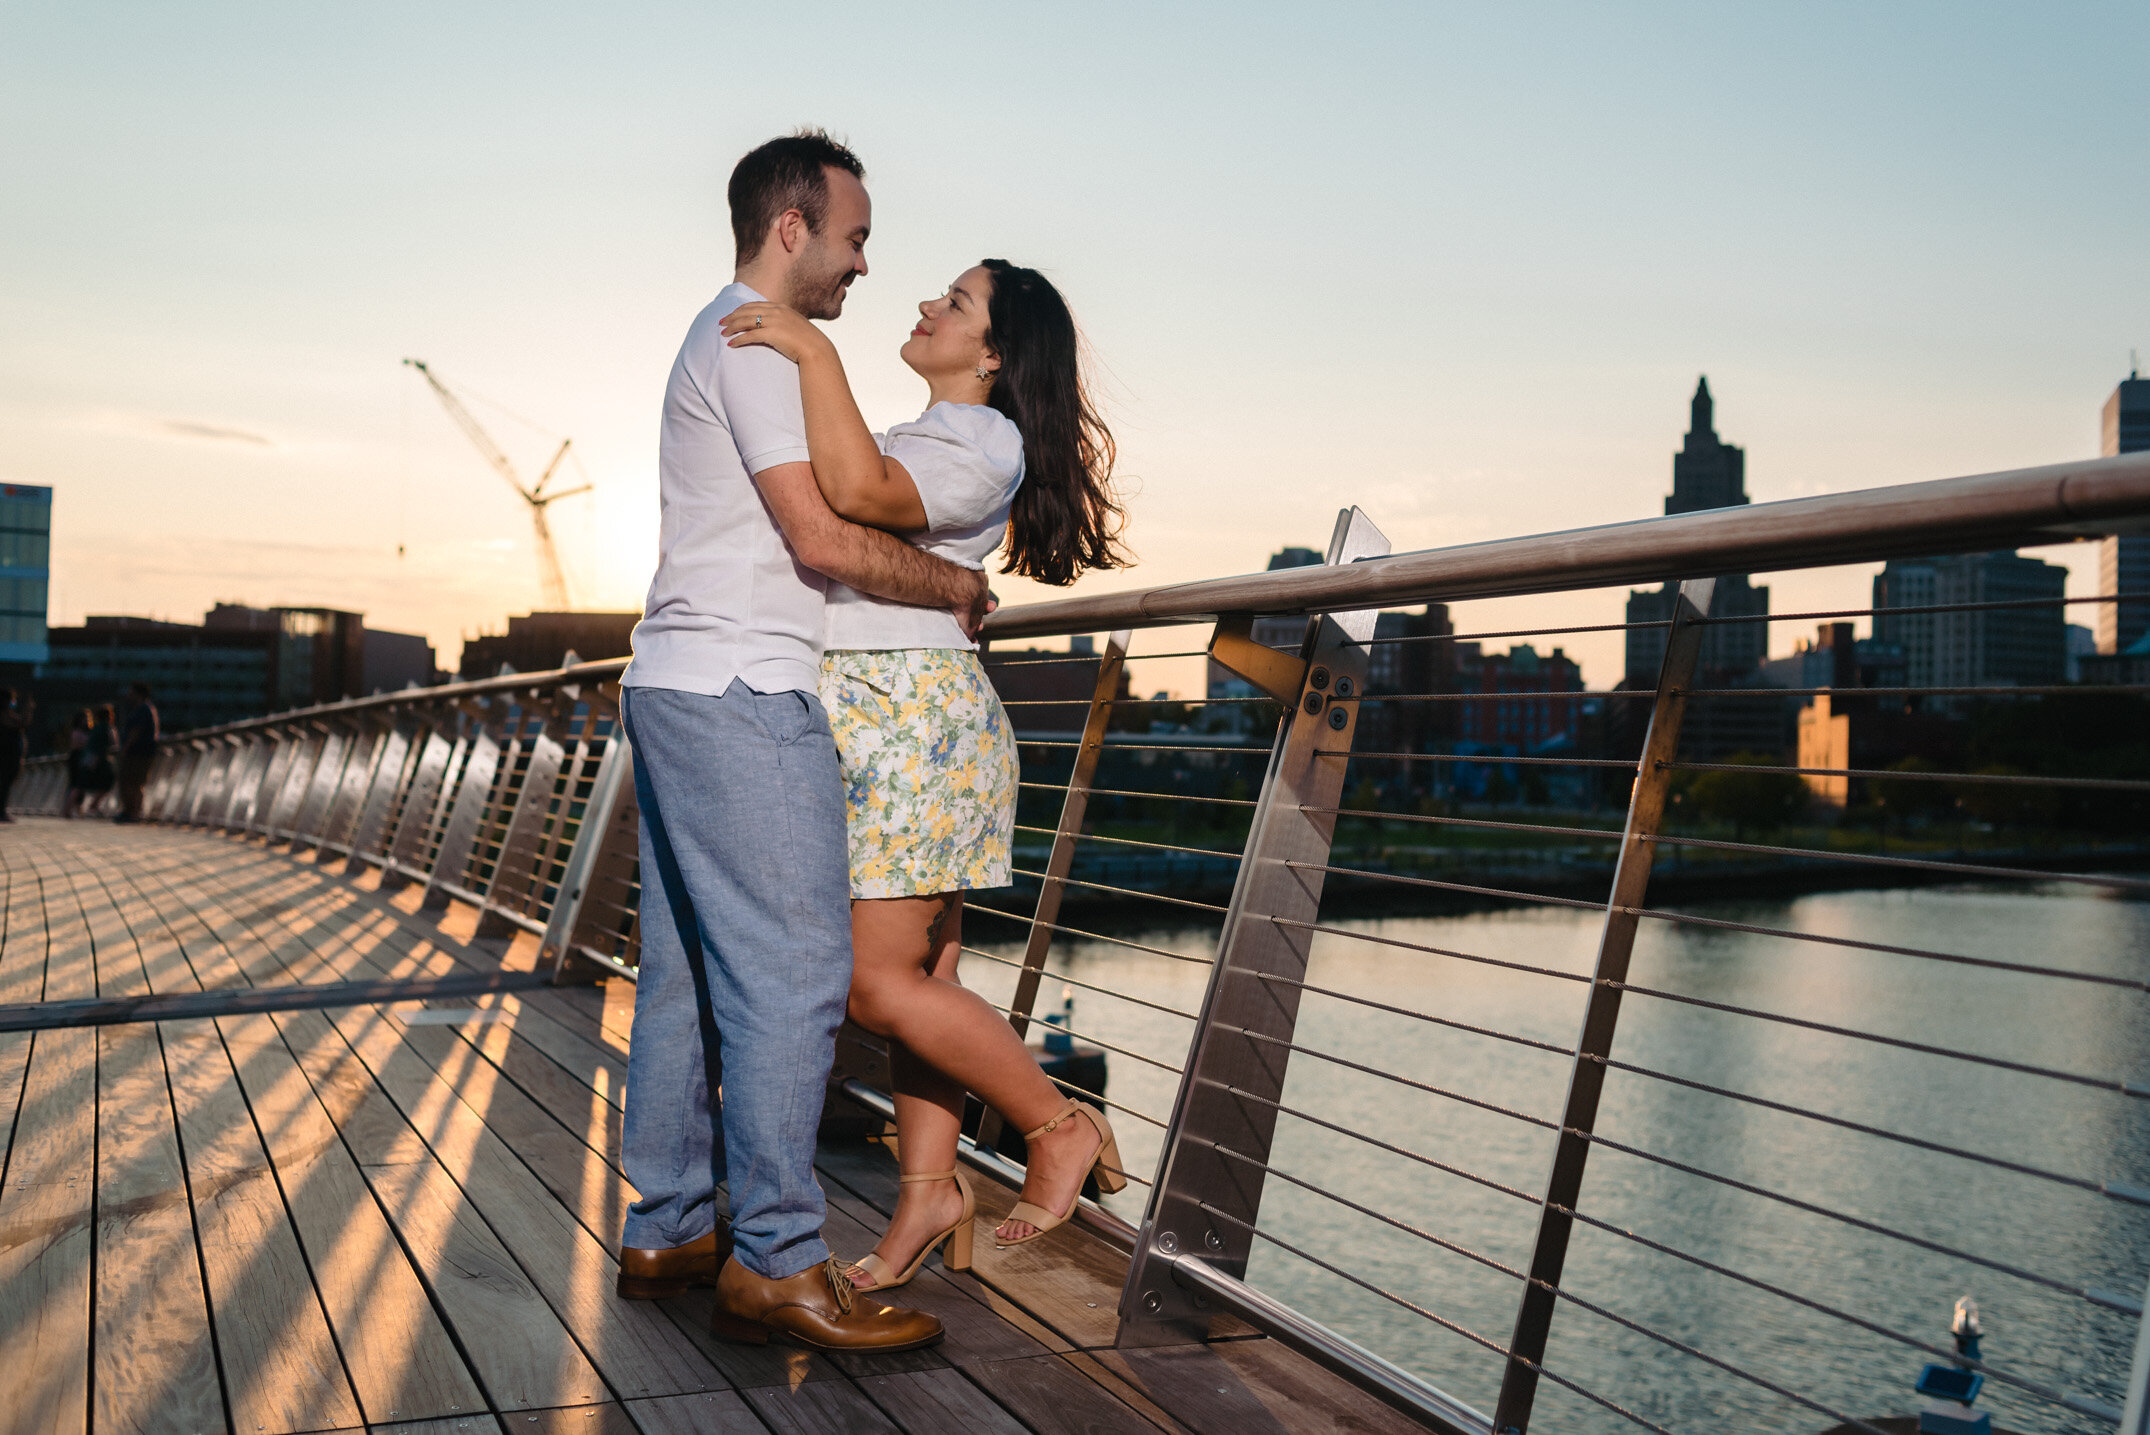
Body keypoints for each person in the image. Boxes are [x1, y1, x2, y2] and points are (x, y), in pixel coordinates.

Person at [614, 129, 984, 1354]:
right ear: (792, 229)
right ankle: (776, 1258)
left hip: (669, 680)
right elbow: (820, 540)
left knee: (681, 978)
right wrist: (948, 586)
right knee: (790, 975)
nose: (863, 263)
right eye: (854, 236)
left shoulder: (722, 332)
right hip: (739, 689)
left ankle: (670, 1224)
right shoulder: (759, 344)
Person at [720, 256, 1131, 1290]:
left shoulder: (979, 439)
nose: (923, 305)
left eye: (953, 303)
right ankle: (927, 1197)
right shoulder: (928, 433)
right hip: (875, 717)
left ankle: (1054, 1120)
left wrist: (809, 345)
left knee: (875, 985)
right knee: (922, 981)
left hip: (913, 726)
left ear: (992, 355)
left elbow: (850, 494)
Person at [117, 683, 159, 823]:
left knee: (132, 782)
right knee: (134, 783)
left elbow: (136, 731)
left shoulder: (142, 709)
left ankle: (133, 813)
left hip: (138, 753)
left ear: (138, 694)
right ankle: (131, 812)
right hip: (142, 752)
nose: (129, 695)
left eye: (131, 692)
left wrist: (125, 748)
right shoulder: (147, 708)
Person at [0, 689, 29, 821]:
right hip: (6, 756)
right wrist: (28, 709)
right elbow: (21, 723)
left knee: (6, 784)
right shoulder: (4, 716)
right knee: (3, 784)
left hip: (11, 756)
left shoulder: (8, 715)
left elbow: (23, 722)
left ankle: (2, 810)